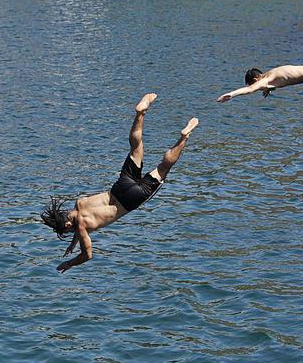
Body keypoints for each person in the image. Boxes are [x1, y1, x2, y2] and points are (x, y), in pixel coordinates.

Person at [41, 93, 198, 273]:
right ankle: (140, 114)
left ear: (69, 226)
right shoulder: (80, 203)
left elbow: (87, 255)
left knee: (163, 169)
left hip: (131, 200)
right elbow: (76, 222)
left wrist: (69, 263)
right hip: (120, 187)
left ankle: (184, 137)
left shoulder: (82, 227)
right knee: (135, 149)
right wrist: (73, 242)